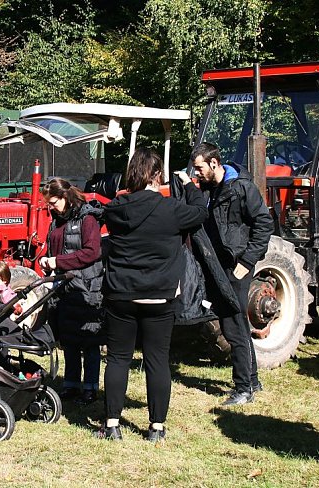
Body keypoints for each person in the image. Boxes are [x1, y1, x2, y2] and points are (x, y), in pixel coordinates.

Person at [96, 147, 207, 442]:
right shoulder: (171, 210)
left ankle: (111, 425)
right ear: (158, 175)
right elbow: (200, 213)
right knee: (157, 360)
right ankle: (156, 428)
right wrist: (189, 185)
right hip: (160, 295)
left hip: (121, 293)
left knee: (118, 359)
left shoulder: (116, 209)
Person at [191, 142, 273, 406]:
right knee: (236, 323)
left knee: (233, 325)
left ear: (214, 164)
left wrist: (248, 260)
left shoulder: (241, 188)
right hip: (217, 265)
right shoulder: (208, 190)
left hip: (236, 265)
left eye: (199, 168)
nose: (196, 173)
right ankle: (253, 379)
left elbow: (264, 224)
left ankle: (242, 389)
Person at [39, 178, 104, 405]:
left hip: (87, 287)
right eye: (48, 203)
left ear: (65, 197)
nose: (51, 207)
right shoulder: (55, 222)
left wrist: (58, 261)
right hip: (64, 287)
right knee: (68, 338)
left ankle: (90, 386)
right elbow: (52, 249)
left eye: (53, 202)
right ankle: (72, 384)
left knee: (89, 337)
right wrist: (46, 261)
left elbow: (91, 253)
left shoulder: (88, 219)